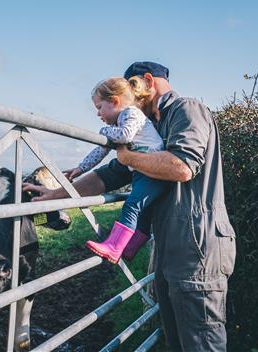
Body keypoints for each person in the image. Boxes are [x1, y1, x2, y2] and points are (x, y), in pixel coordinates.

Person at [23, 62, 236, 351]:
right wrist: (53, 196)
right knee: (178, 339)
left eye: (132, 89)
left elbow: (182, 167)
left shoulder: (187, 109)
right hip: (172, 245)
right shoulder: (151, 127)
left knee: (201, 342)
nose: (129, 99)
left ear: (148, 81)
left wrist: (128, 158)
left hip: (195, 245)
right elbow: (108, 175)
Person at [63, 76, 168, 263]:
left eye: (99, 107)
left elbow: (125, 136)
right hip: (143, 172)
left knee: (131, 205)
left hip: (154, 173)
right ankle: (130, 247)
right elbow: (101, 149)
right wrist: (81, 168)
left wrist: (103, 132)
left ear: (114, 101)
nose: (98, 114)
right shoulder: (119, 123)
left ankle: (113, 247)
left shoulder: (131, 113)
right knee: (141, 211)